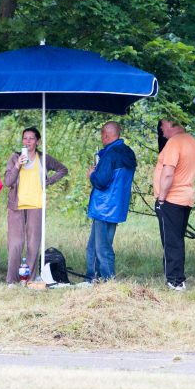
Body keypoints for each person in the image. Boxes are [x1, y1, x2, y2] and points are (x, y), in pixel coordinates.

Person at [3, 127, 68, 285]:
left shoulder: (43, 158)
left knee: (33, 243)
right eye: (25, 138)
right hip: (16, 206)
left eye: (31, 138)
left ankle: (29, 278)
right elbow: (7, 182)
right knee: (16, 243)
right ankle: (12, 280)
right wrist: (18, 165)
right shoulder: (15, 157)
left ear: (38, 141)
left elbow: (62, 169)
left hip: (36, 205)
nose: (28, 141)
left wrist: (49, 181)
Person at [85, 121, 137, 282]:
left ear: (106, 135)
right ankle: (92, 278)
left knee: (102, 248)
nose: (102, 138)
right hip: (117, 205)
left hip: (104, 206)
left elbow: (101, 181)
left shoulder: (110, 155)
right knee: (94, 246)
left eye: (102, 135)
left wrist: (92, 174)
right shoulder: (128, 152)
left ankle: (108, 281)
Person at [153, 119, 195, 291]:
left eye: (163, 125)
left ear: (172, 125)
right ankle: (176, 277)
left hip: (171, 198)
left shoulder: (174, 142)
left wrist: (161, 198)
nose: (161, 129)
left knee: (171, 240)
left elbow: (168, 173)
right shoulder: (191, 141)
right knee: (177, 239)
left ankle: (175, 280)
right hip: (185, 197)